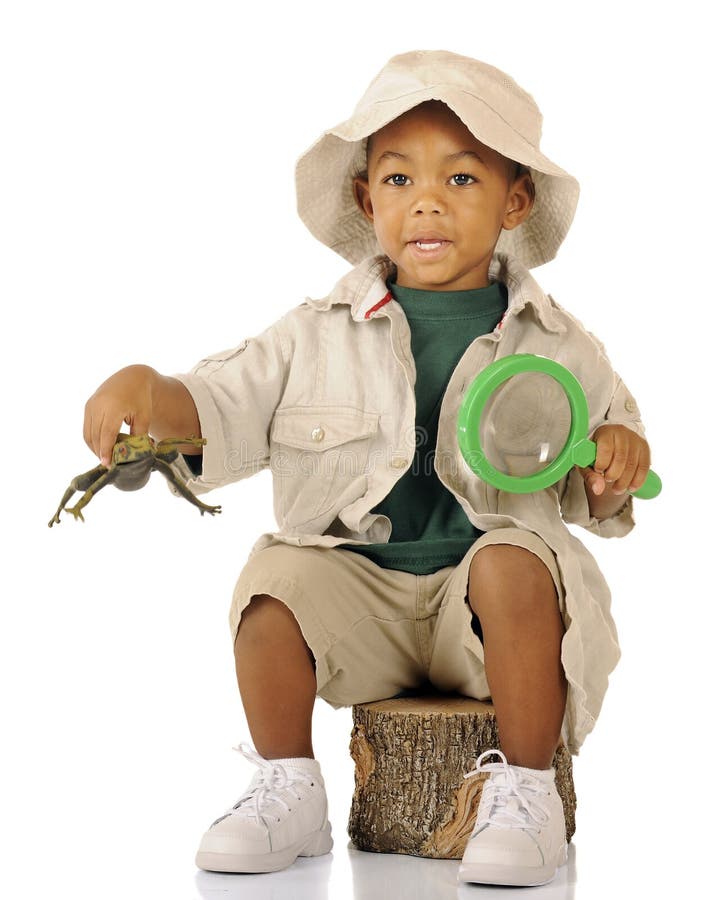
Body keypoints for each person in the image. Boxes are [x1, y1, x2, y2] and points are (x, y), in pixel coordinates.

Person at [82, 50, 652, 888]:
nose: (425, 200)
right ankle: (291, 785)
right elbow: (222, 404)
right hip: (364, 607)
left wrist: (615, 461)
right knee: (273, 580)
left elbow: (606, 449)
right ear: (365, 198)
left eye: (461, 180)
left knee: (513, 558)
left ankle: (529, 791)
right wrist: (155, 394)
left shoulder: (558, 341)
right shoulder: (313, 333)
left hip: (481, 618)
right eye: (397, 179)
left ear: (514, 201)